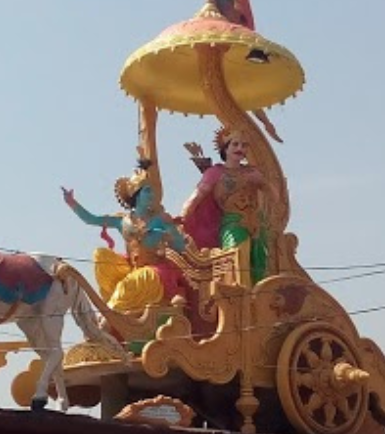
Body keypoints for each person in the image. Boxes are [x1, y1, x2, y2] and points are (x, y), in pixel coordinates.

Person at [62, 156, 188, 316]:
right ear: (137, 195)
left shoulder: (161, 219)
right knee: (100, 255)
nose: (152, 194)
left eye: (151, 190)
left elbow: (180, 247)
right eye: (147, 190)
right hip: (132, 268)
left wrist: (168, 234)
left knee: (131, 283)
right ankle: (115, 305)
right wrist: (72, 203)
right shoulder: (122, 221)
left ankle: (111, 314)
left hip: (155, 271)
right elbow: (91, 219)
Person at [179, 126, 270, 283]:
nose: (240, 148)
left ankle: (258, 298)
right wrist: (182, 217)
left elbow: (273, 194)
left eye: (244, 145)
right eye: (235, 144)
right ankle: (239, 297)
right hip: (233, 222)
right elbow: (196, 198)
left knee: (260, 263)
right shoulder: (215, 173)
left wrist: (263, 184)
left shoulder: (252, 172)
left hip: (257, 224)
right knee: (235, 256)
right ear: (225, 148)